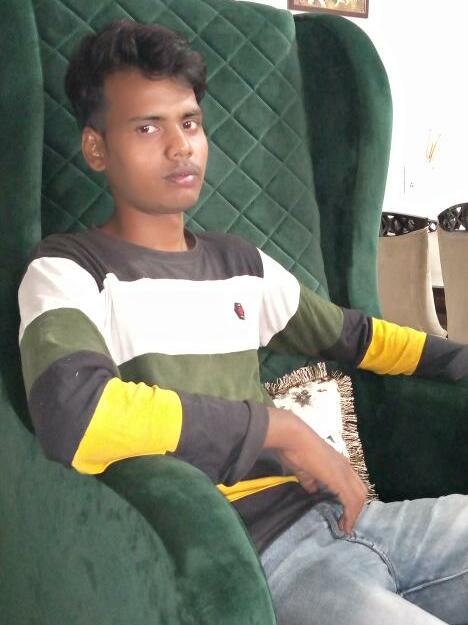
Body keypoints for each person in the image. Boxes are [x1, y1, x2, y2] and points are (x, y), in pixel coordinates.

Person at [18, 20, 468, 625]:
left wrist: (460, 359)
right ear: (96, 148)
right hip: (260, 560)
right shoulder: (66, 270)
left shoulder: (239, 264)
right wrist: (278, 429)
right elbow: (76, 416)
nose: (180, 147)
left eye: (190, 123)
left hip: (359, 520)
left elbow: (357, 336)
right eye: (148, 127)